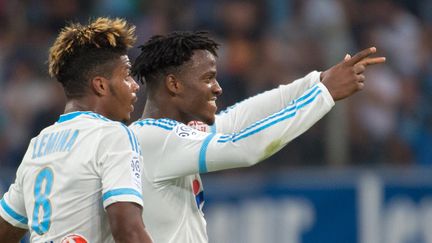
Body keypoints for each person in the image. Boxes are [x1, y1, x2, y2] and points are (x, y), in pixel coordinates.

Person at [130, 31, 385, 242]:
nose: (217, 88)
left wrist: (317, 81)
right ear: (174, 84)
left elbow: (239, 118)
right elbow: (243, 148)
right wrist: (324, 94)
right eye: (208, 79)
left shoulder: (164, 135)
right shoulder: (156, 139)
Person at [0, 17, 153, 243]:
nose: (135, 85)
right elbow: (128, 232)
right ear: (100, 85)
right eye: (127, 75)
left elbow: (4, 231)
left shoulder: (38, 144)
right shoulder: (113, 135)